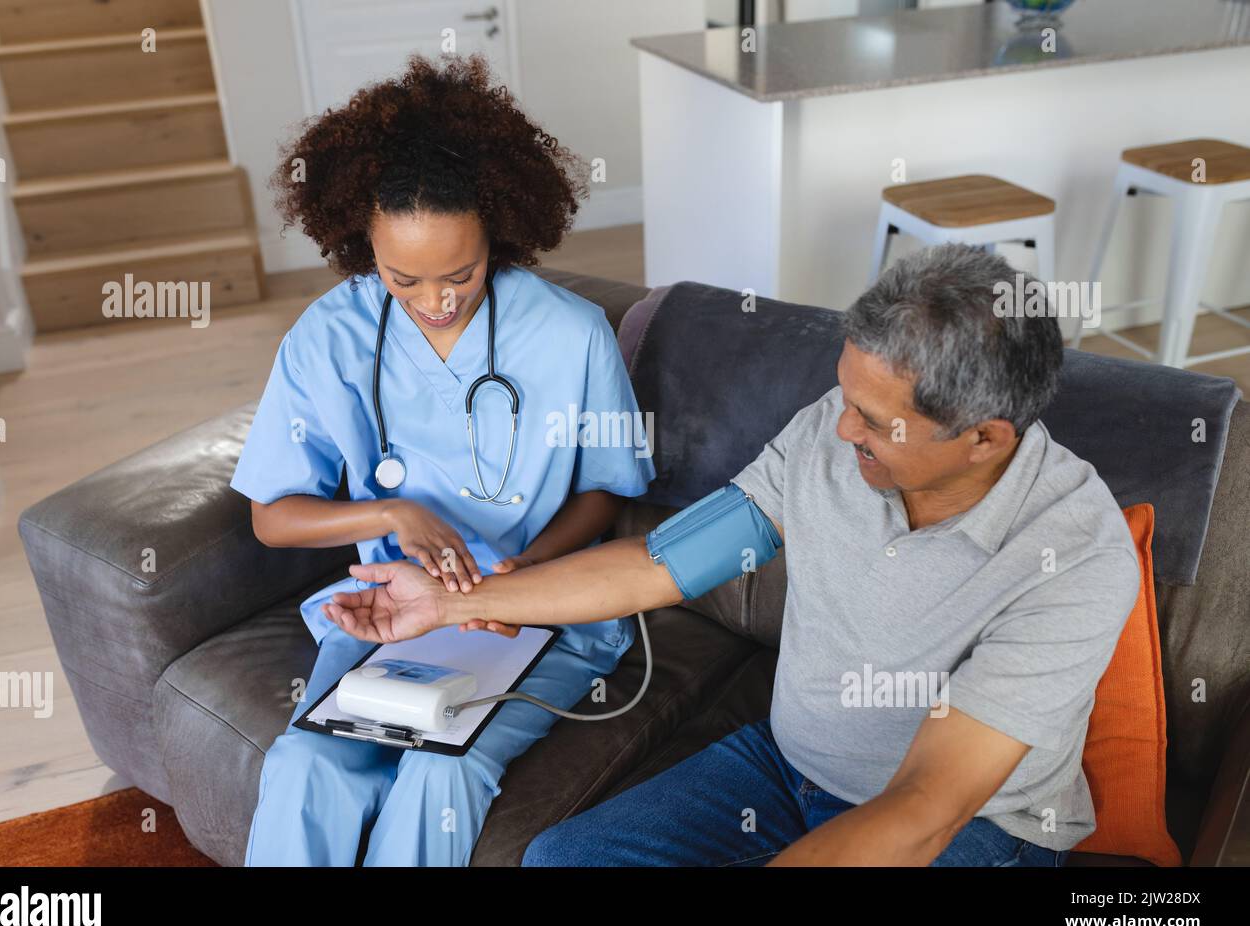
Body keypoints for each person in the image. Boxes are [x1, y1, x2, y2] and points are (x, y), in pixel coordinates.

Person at [323, 244, 1142, 867]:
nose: (841, 427)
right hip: (786, 768)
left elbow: (929, 805)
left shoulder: (1073, 557)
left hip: (976, 829)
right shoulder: (833, 431)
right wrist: (451, 605)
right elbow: (662, 562)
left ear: (984, 438)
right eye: (846, 397)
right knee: (561, 858)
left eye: (874, 420)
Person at [230, 53, 654, 866]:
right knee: (306, 762)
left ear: (499, 227)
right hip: (397, 612)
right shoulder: (328, 337)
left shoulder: (571, 334)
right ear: (361, 244)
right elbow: (273, 517)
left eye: (460, 273)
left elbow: (605, 490)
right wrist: (393, 513)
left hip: (539, 613)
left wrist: (520, 576)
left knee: (438, 772)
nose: (436, 301)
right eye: (403, 279)